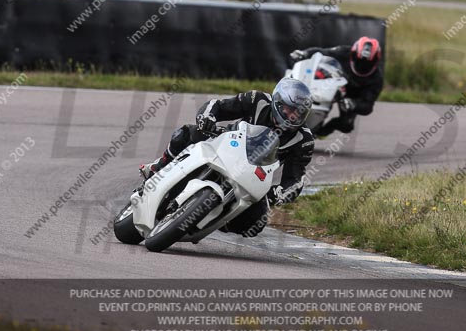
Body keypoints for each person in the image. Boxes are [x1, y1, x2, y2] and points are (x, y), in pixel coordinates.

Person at [139, 79, 314, 237]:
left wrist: (280, 193)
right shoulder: (257, 100)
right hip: (226, 144)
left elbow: (295, 180)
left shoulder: (304, 140)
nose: (292, 116)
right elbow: (218, 106)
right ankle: (159, 167)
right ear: (277, 102)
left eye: (298, 113)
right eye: (288, 109)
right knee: (187, 134)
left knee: (256, 221)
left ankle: (218, 221)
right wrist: (207, 118)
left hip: (253, 174)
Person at [289, 36, 383, 136]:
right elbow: (322, 52)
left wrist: (354, 104)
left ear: (376, 60)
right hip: (334, 82)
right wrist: (305, 53)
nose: (362, 65)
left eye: (368, 63)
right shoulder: (344, 52)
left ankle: (320, 132)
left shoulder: (376, 79)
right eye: (359, 61)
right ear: (354, 53)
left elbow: (368, 106)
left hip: (352, 97)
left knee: (346, 125)